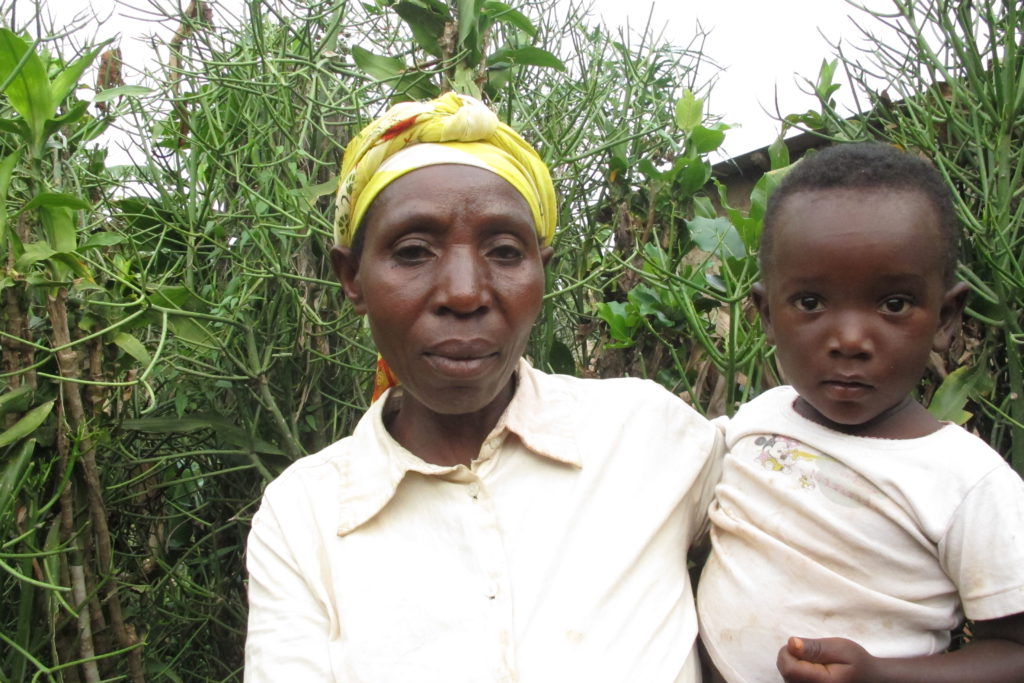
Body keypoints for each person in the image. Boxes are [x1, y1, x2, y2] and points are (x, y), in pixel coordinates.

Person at [244, 92, 722, 681]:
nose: (465, 293)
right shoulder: (305, 517)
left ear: (542, 271)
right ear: (352, 278)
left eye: (504, 251)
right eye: (413, 252)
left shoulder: (649, 436)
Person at [696, 142, 1024, 682]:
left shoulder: (968, 482)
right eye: (810, 303)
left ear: (945, 318)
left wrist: (881, 676)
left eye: (893, 304)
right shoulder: (761, 416)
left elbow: (1016, 649)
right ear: (766, 314)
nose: (849, 339)